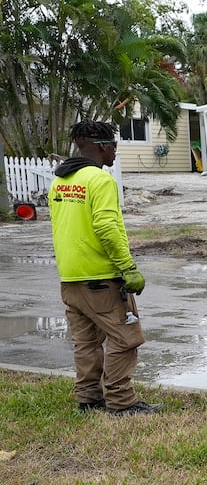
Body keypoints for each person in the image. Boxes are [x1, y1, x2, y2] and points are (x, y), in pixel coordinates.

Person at [48, 121, 159, 416]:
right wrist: (128, 268)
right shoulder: (100, 181)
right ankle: (122, 401)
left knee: (86, 342)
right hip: (101, 278)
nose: (115, 153)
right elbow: (107, 227)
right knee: (127, 338)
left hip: (70, 279)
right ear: (101, 146)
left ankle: (88, 398)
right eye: (114, 147)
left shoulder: (60, 182)